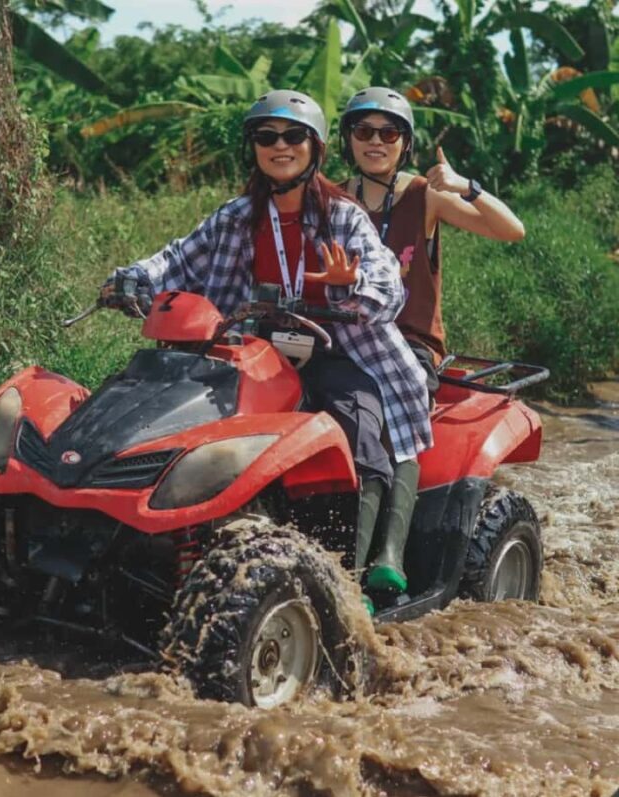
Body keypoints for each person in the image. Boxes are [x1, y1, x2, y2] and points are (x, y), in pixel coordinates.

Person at [104, 90, 432, 602]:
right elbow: (175, 260)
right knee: (183, 424)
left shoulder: (343, 217)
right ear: (253, 148)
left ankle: (356, 579)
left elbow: (389, 284)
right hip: (255, 353)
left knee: (359, 428)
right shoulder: (235, 217)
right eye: (266, 137)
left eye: (294, 136)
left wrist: (354, 283)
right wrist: (128, 280)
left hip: (338, 350)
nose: (281, 146)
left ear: (316, 147)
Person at [337, 86, 526, 593]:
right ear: (347, 139)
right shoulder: (333, 199)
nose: (375, 141)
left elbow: (513, 231)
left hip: (410, 345)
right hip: (344, 340)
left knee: (388, 415)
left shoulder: (424, 196)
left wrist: (467, 186)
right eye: (363, 131)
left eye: (388, 132)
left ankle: (388, 556)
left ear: (405, 142)